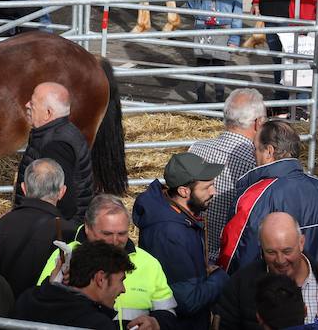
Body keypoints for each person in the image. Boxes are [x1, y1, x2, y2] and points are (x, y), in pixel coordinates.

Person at [37, 194, 176, 329]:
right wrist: (60, 283)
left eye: (122, 233)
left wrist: (156, 322)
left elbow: (168, 311)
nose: (115, 241)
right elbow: (42, 303)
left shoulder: (148, 262)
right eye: (107, 234)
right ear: (87, 228)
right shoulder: (66, 256)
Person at [132, 152, 229, 330]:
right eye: (207, 187)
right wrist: (220, 278)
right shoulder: (169, 234)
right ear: (184, 191)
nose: (213, 192)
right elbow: (186, 301)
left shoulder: (182, 218)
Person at [222, 119, 318, 270]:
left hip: (271, 289)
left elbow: (235, 257)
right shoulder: (315, 185)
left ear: (269, 151)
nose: (253, 154)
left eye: (255, 148)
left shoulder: (254, 196)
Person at [189, 88, 265, 263]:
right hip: (231, 259)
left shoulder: (196, 148)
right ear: (257, 123)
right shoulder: (256, 164)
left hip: (196, 252)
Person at [217, 212, 317, 330]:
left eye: (287, 251)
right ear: (262, 248)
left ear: (301, 243)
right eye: (271, 252)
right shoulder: (239, 286)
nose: (280, 260)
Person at [0, 158, 72, 298]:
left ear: (23, 188)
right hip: (44, 311)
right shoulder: (67, 231)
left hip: (6, 310)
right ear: (62, 192)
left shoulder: (4, 223)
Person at [15, 81, 93, 224]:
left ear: (48, 113)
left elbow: (61, 201)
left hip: (51, 232)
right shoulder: (60, 133)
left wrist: (45, 231)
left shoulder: (56, 145)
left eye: (32, 103)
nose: (26, 105)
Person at [13, 239, 134, 330]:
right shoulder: (96, 324)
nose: (123, 289)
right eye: (121, 280)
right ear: (100, 278)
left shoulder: (27, 300)